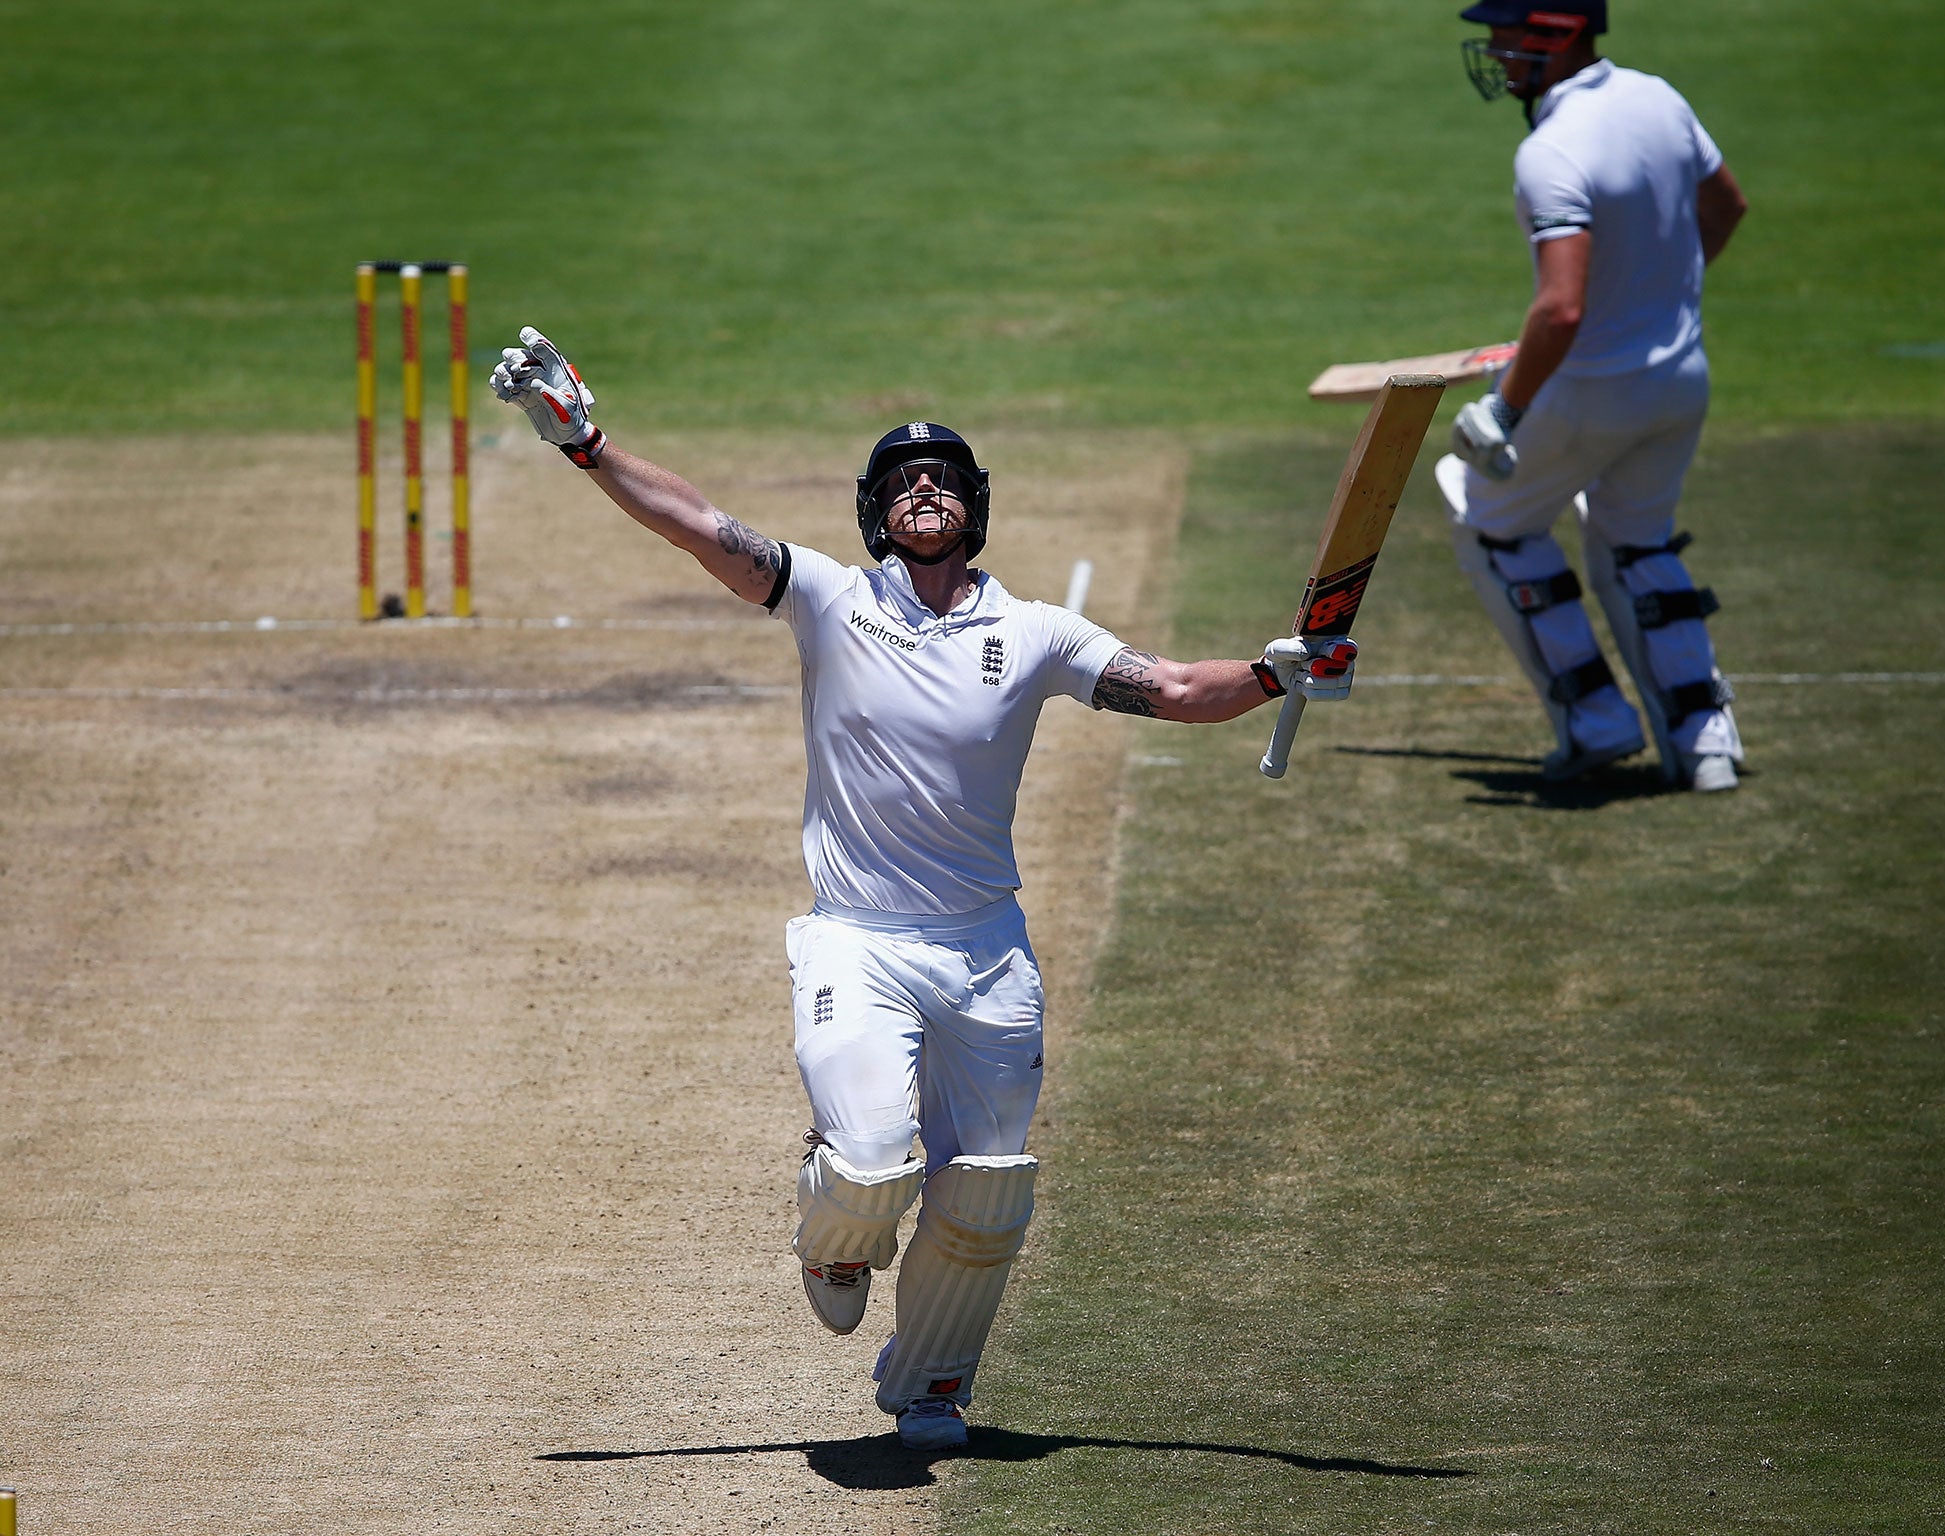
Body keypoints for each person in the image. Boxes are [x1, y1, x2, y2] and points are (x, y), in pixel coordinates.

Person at [488, 328, 1353, 1450]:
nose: (925, 487)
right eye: (903, 481)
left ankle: (930, 1384)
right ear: (875, 513)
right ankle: (832, 1229)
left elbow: (1178, 687)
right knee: (867, 1163)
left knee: (990, 1189)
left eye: (943, 476)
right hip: (858, 941)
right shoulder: (829, 601)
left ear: (974, 506)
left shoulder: (1033, 633)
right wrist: (586, 445)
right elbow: (703, 527)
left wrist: (1277, 670)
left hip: (987, 951)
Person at [1442, 1, 1750, 791]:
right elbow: (1726, 207)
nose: (1497, 46)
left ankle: (1596, 721)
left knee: (1488, 515)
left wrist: (1503, 410)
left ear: (1559, 30)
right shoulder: (1659, 98)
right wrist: (1653, 301)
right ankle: (1705, 739)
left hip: (1589, 391)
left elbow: (1562, 309)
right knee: (1637, 539)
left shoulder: (1551, 149)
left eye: (1508, 30)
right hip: (1681, 380)